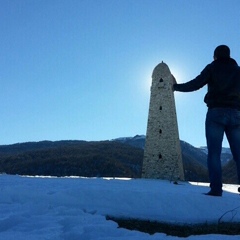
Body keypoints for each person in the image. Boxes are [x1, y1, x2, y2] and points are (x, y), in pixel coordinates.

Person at [173, 45, 240, 197]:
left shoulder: (212, 67)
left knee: (214, 154)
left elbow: (196, 84)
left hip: (216, 113)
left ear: (215, 56)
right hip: (236, 114)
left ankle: (216, 189)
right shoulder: (238, 71)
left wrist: (176, 87)